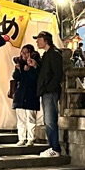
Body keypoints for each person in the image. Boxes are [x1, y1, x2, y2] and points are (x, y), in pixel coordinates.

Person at [35, 30, 65, 158]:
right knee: (48, 121)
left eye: (39, 39)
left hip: (50, 91)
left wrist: (49, 88)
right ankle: (52, 146)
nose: (37, 42)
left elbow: (57, 74)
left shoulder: (54, 54)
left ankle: (55, 148)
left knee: (50, 120)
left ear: (45, 40)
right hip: (46, 91)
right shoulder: (47, 54)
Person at [10, 45, 41, 146]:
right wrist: (18, 69)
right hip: (20, 94)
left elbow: (36, 77)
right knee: (21, 119)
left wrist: (32, 68)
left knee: (31, 118)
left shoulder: (37, 62)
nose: (24, 55)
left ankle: (31, 138)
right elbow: (16, 77)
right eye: (22, 52)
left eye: (26, 52)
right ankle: (21, 138)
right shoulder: (19, 63)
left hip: (31, 94)